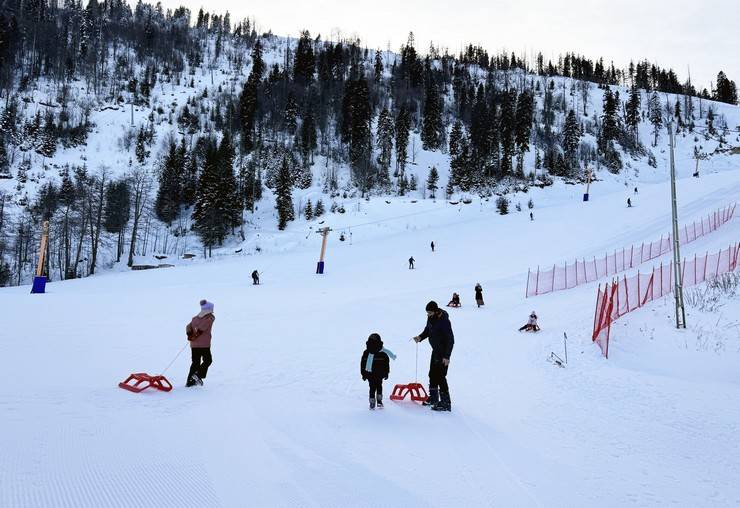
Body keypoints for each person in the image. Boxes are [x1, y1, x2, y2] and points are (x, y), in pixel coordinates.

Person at [413, 301, 454, 412]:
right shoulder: (431, 318)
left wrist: (447, 356)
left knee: (441, 376)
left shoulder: (444, 321)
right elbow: (428, 330)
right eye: (427, 313)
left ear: (436, 311)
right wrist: (420, 337)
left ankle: (446, 403)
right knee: (432, 374)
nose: (428, 315)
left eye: (430, 312)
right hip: (435, 351)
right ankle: (434, 398)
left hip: (443, 353)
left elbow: (451, 340)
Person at [360, 333, 395, 410]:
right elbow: (386, 364)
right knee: (379, 387)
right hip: (379, 374)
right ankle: (379, 401)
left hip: (371, 374)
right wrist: (386, 373)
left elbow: (363, 364)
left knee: (372, 388)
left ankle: (372, 402)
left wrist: (364, 374)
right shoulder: (383, 352)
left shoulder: (367, 352)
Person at [185, 299, 216, 387]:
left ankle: (190, 382)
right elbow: (202, 328)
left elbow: (188, 326)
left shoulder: (195, 318)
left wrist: (190, 334)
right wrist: (195, 334)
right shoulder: (210, 318)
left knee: (195, 363)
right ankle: (198, 375)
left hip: (194, 345)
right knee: (208, 360)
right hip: (204, 345)